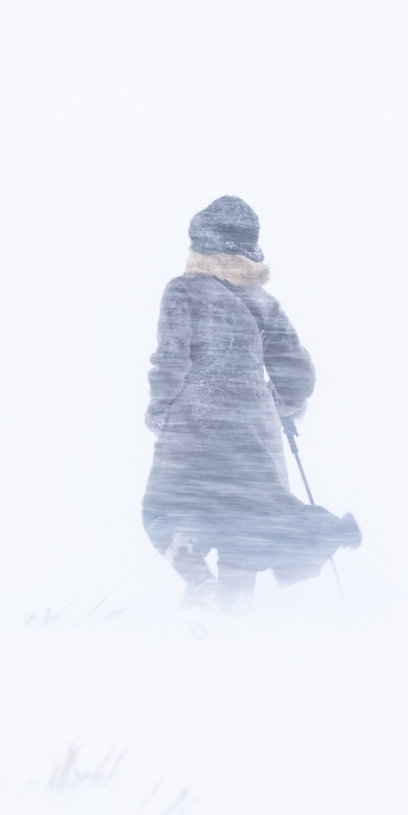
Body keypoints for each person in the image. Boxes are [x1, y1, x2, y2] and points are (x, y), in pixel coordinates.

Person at [142, 195, 360, 611]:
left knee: (163, 512)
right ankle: (235, 615)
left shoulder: (183, 290)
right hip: (255, 428)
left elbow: (170, 357)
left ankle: (199, 582)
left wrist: (159, 405)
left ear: (199, 243)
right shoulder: (262, 301)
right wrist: (285, 406)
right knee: (242, 523)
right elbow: (296, 368)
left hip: (196, 425)